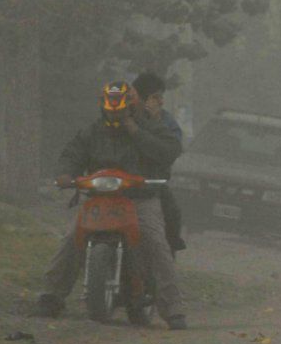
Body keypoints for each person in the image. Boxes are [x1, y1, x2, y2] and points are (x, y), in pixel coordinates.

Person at [34, 81, 187, 330]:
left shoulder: (151, 127)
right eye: (111, 110)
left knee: (157, 243)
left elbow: (168, 150)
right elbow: (71, 154)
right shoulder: (91, 131)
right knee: (72, 236)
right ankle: (51, 297)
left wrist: (133, 129)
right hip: (99, 198)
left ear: (131, 107)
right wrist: (65, 173)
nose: (114, 115)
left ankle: (173, 310)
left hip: (140, 198)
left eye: (121, 110)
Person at [132, 72, 187, 254]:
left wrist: (155, 122)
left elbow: (172, 149)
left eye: (161, 97)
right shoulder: (123, 116)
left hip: (151, 183)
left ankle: (168, 256)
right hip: (118, 181)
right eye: (156, 97)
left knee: (172, 214)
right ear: (139, 97)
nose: (161, 102)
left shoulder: (166, 121)